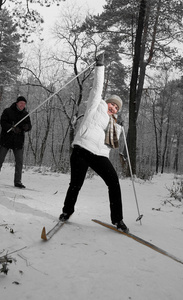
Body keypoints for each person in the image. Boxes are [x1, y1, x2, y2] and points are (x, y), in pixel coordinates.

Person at [59, 54, 129, 233]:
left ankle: (118, 219)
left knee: (113, 182)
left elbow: (113, 144)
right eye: (112, 104)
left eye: (116, 108)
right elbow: (97, 88)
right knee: (76, 183)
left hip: (100, 155)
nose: (113, 108)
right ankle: (67, 212)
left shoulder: (114, 124)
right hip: (82, 149)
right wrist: (100, 66)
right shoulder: (96, 105)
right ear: (108, 102)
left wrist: (121, 127)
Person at [0, 96, 32, 188]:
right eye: (21, 103)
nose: (22, 105)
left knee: (19, 162)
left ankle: (18, 181)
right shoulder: (7, 111)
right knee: (0, 160)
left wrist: (26, 127)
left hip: (18, 142)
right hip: (6, 140)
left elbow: (29, 126)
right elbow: (3, 122)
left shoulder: (25, 114)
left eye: (24, 104)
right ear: (17, 103)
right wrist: (11, 128)